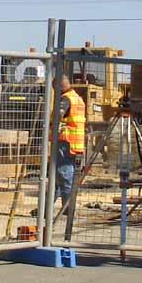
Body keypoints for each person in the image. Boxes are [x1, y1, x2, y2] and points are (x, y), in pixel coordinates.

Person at [54, 74, 86, 214]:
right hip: (74, 143)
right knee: (57, 176)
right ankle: (45, 209)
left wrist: (52, 124)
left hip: (65, 141)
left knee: (64, 174)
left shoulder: (66, 99)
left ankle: (68, 208)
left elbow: (59, 115)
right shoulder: (77, 98)